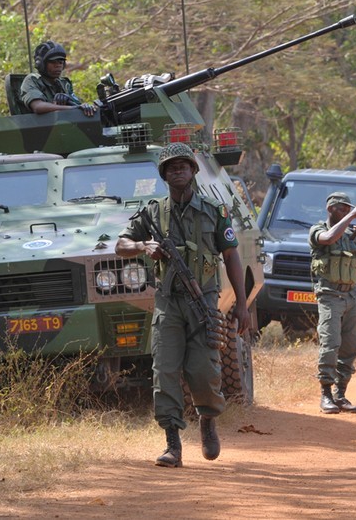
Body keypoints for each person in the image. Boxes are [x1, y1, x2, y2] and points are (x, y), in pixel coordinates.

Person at [115, 142, 250, 468]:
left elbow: (231, 256)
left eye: (183, 166)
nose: (178, 170)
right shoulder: (152, 212)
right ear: (164, 174)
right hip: (169, 303)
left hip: (203, 302)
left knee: (203, 370)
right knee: (165, 372)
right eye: (171, 167)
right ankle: (172, 443)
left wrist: (242, 304)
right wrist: (144, 246)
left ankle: (207, 420)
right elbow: (120, 244)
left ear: (192, 170)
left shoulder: (214, 211)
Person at [309, 192, 356, 414]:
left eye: (348, 209)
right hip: (329, 295)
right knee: (330, 343)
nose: (346, 212)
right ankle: (325, 394)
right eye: (342, 209)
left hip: (351, 296)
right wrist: (351, 216)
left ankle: (340, 394)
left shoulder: (349, 236)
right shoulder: (319, 230)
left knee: (350, 346)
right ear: (330, 209)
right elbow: (327, 239)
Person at [20, 40, 97, 117]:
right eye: (53, 62)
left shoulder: (63, 83)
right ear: (41, 64)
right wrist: (73, 108)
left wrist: (84, 106)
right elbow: (38, 107)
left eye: (60, 62)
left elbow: (78, 104)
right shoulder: (32, 80)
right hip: (40, 126)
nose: (58, 66)